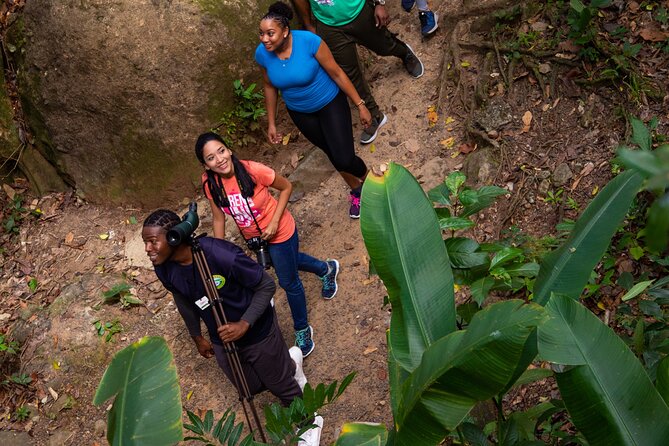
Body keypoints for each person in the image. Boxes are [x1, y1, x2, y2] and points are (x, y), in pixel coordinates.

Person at [142, 209, 322, 445]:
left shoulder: (219, 254)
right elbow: (182, 298)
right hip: (223, 339)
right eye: (145, 242)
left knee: (280, 386)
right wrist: (196, 335)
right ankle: (289, 364)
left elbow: (266, 286)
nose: (147, 249)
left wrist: (244, 323)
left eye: (153, 241)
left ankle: (310, 423)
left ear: (175, 237)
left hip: (257, 331)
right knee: (250, 385)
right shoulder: (164, 267)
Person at [195, 132, 339, 357]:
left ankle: (302, 329)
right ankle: (326, 269)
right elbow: (218, 218)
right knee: (288, 263)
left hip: (280, 231)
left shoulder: (253, 170)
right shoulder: (210, 183)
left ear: (229, 150)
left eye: (221, 151)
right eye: (211, 158)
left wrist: (273, 223)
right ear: (205, 165)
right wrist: (218, 252)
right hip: (256, 239)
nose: (219, 159)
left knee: (288, 281)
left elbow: (286, 187)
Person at [256, 1, 371, 219]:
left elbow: (337, 72)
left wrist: (360, 104)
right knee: (332, 153)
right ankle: (357, 189)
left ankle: (369, 179)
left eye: (270, 33)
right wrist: (271, 122)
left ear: (285, 31)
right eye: (261, 34)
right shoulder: (262, 54)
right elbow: (269, 85)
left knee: (344, 157)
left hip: (330, 102)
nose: (264, 39)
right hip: (300, 112)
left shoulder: (310, 42)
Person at [292, 0, 425, 144]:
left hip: (359, 12)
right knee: (349, 72)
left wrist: (379, 4)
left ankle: (405, 53)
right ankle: (374, 115)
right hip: (329, 26)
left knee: (385, 47)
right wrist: (308, 24)